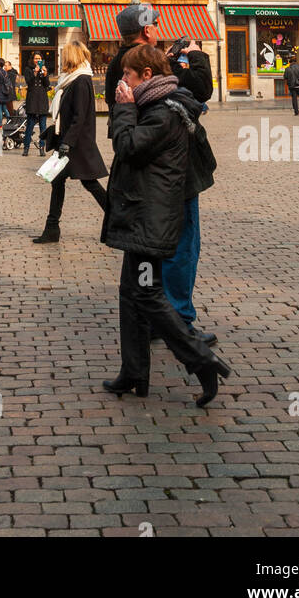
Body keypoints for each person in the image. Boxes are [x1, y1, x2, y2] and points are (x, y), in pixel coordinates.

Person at [102, 44, 229, 408]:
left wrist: (124, 109)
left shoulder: (165, 112)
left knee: (148, 294)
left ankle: (202, 361)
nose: (121, 80)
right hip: (140, 219)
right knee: (131, 293)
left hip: (149, 222)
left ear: (146, 76)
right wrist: (128, 108)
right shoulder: (153, 106)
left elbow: (127, 146)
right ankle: (134, 371)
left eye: (127, 74)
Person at [105, 3, 216, 343]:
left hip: (144, 178)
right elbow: (201, 87)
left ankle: (153, 318)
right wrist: (196, 55)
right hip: (173, 175)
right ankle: (178, 322)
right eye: (155, 23)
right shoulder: (147, 63)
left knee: (148, 254)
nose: (159, 26)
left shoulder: (120, 64)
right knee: (181, 248)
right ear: (148, 30)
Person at [31, 41, 107, 244]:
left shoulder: (81, 80)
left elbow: (79, 115)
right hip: (68, 140)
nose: (62, 59)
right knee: (58, 182)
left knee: (90, 183)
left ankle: (118, 219)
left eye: (65, 55)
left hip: (76, 143)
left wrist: (67, 143)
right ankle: (52, 228)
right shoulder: (70, 79)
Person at [22, 52, 50, 156]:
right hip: (32, 99)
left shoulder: (44, 69)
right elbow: (29, 82)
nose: (37, 60)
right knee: (30, 125)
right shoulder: (28, 69)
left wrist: (45, 75)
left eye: (39, 58)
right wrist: (35, 72)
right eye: (35, 58)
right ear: (32, 59)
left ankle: (42, 148)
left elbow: (47, 84)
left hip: (42, 99)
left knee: (43, 126)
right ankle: (26, 148)